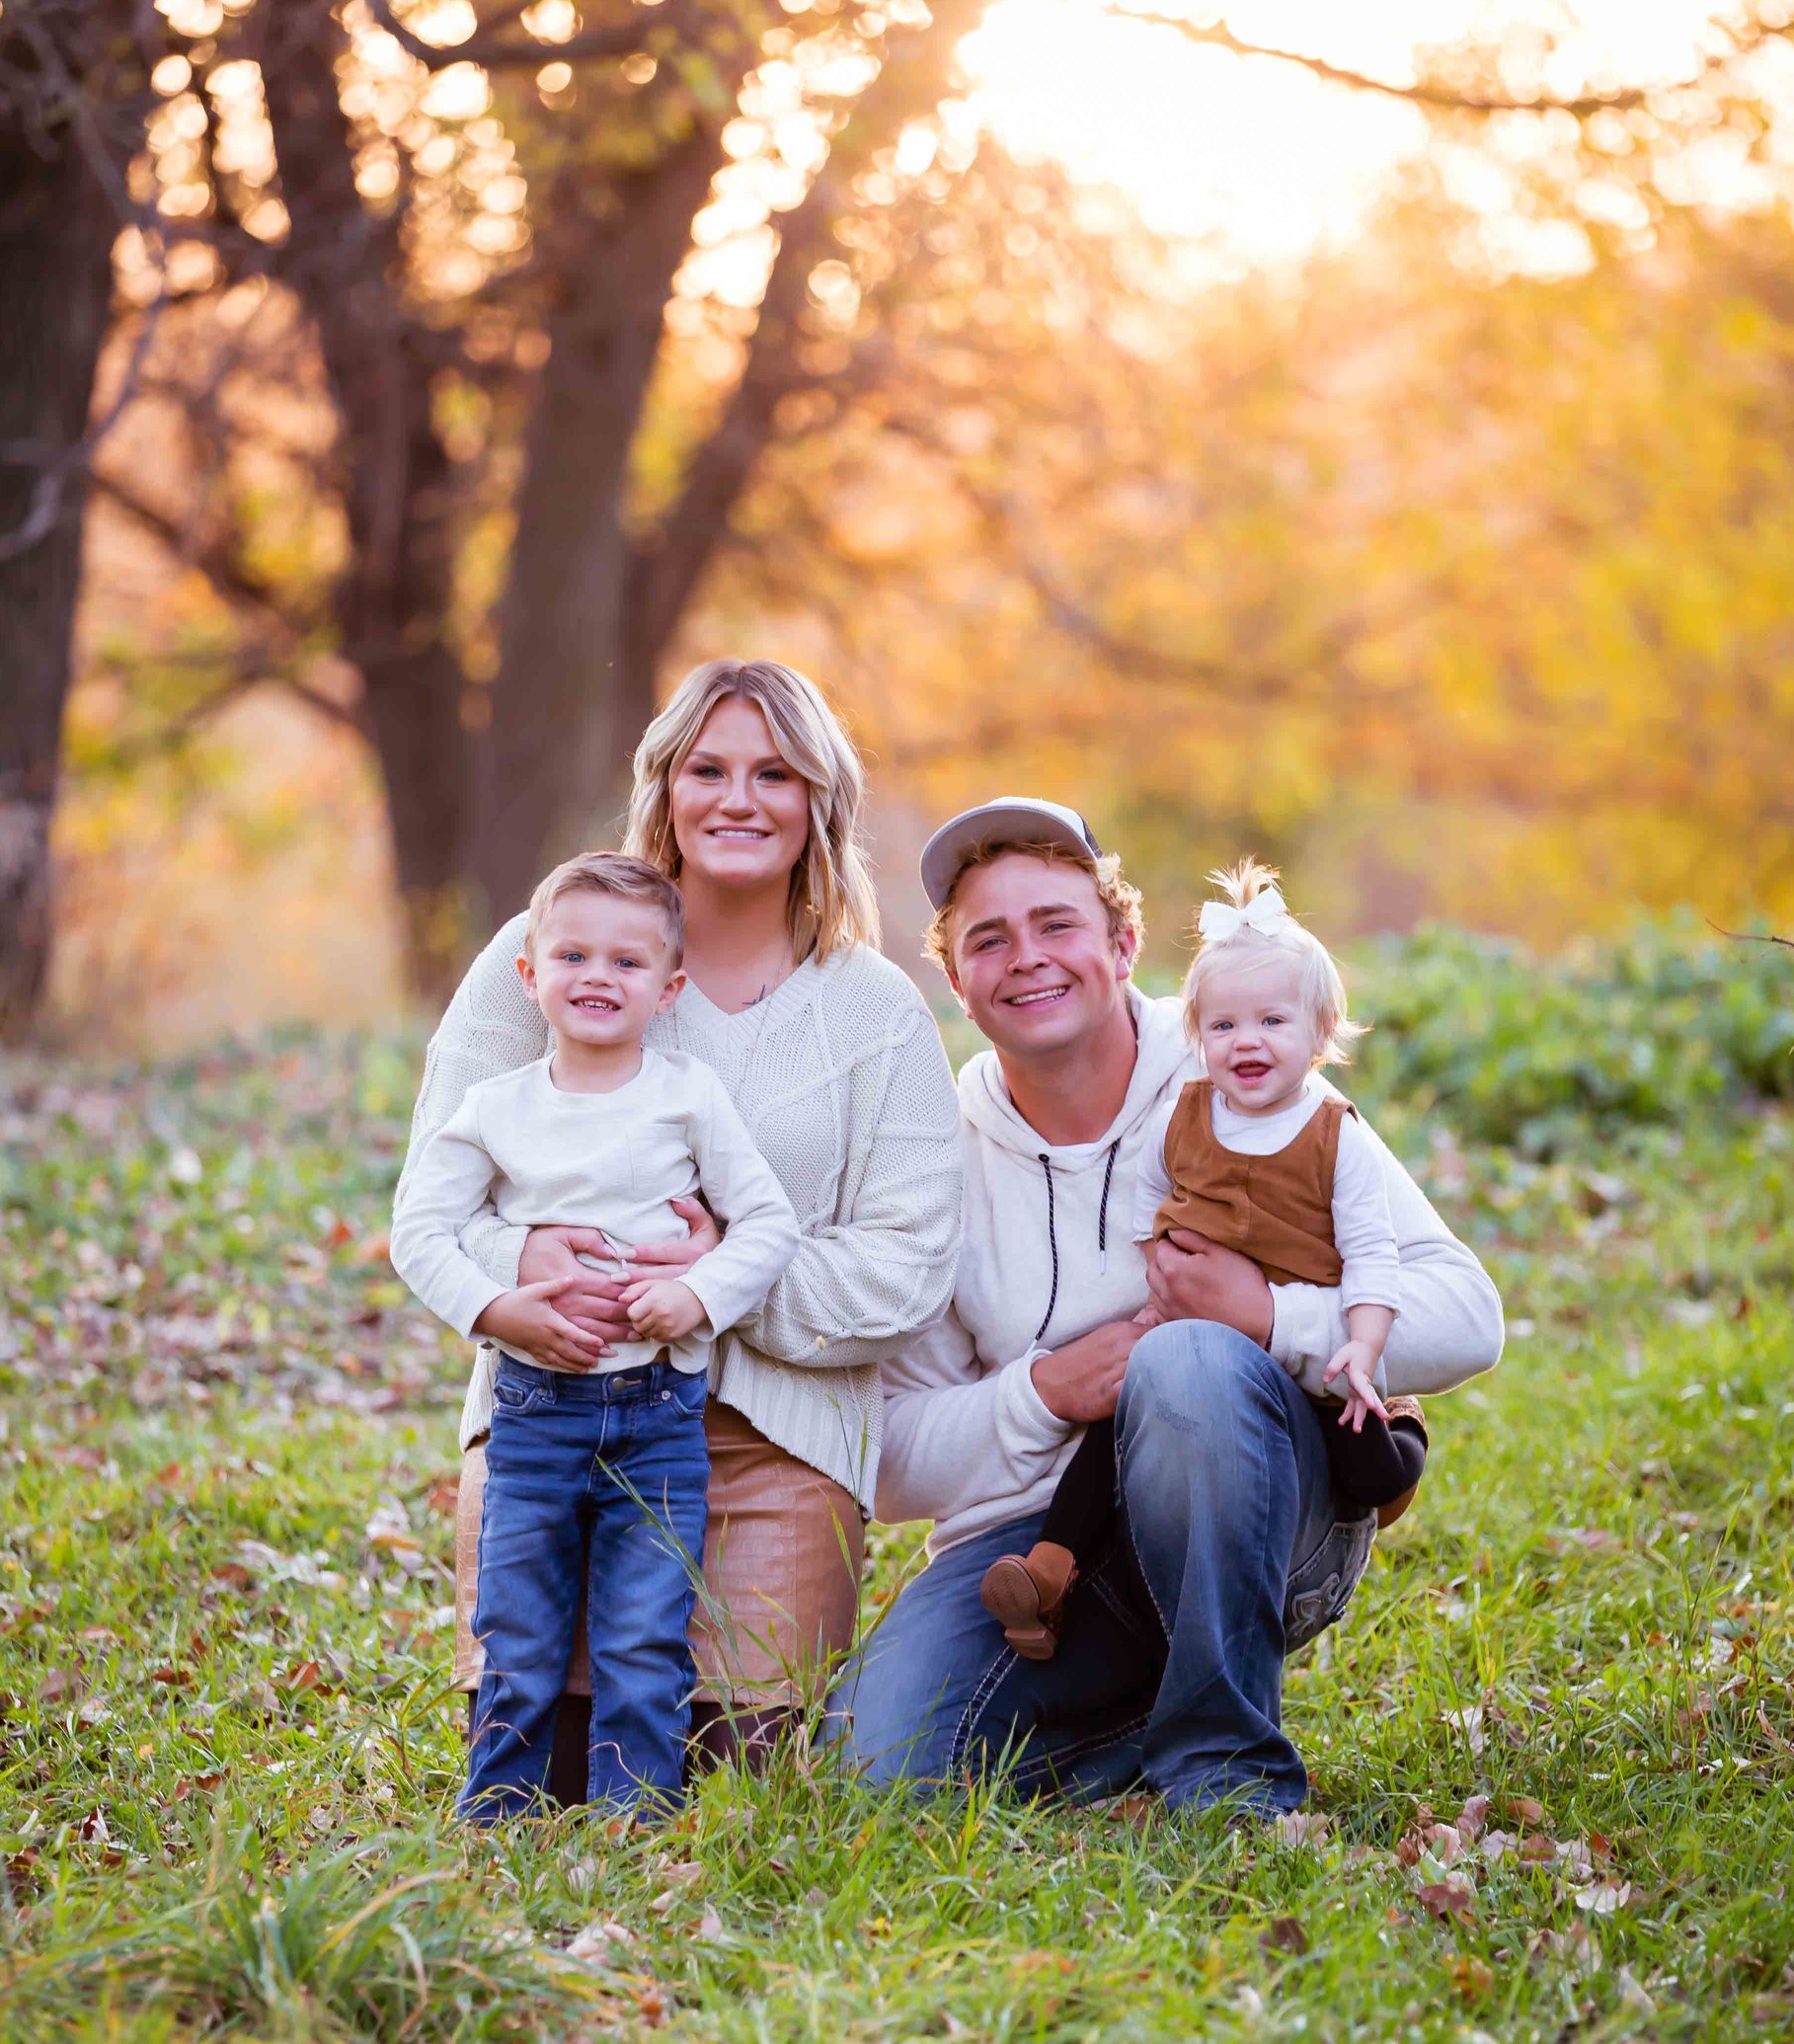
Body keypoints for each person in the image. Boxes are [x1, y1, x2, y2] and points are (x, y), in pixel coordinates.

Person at [829, 799, 1504, 1820]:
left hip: (1261, 1510)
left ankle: (1225, 1772)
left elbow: (1468, 1315)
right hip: (1036, 1554)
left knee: (1184, 1362)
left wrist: (1269, 1316)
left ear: (1124, 941)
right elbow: (891, 1457)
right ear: (956, 979)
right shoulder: (932, 1147)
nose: (1028, 959)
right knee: (878, 1771)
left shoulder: (1240, 1075)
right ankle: (1142, 1727)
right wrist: (1045, 1391)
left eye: (1058, 924)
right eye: (988, 939)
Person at [395, 661, 963, 1800]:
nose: (738, 798)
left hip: (774, 1438)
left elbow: (909, 1270)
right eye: (709, 768)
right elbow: (436, 1199)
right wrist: (530, 1266)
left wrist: (719, 1279)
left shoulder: (875, 1010)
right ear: (665, 784)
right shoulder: (552, 949)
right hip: (553, 1408)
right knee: (540, 1766)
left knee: (723, 1777)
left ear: (820, 801)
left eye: (775, 772)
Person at [392, 852, 798, 1817]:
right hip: (534, 1415)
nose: (597, 977)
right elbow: (419, 1230)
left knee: (644, 1633)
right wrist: (498, 1309)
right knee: (519, 1631)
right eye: (572, 954)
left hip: (659, 1417)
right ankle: (499, 1813)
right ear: (530, 975)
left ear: (670, 989)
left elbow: (767, 1225)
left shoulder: (689, 1095)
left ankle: (632, 1819)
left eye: (627, 961)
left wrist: (698, 1294)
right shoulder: (497, 1110)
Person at [978, 854, 1428, 1659]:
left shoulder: (1331, 1129)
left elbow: (1376, 1253)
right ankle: (1048, 1572)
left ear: (1322, 1033)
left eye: (1272, 1023)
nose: (1245, 1042)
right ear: (1199, 1033)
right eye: (1223, 1026)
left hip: (1301, 1385)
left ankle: (1404, 1447)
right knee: (1122, 1419)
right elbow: (1154, 1189)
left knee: (1363, 1462)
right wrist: (1157, 1271)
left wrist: (1328, 1334)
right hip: (1169, 1381)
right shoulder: (1186, 1112)